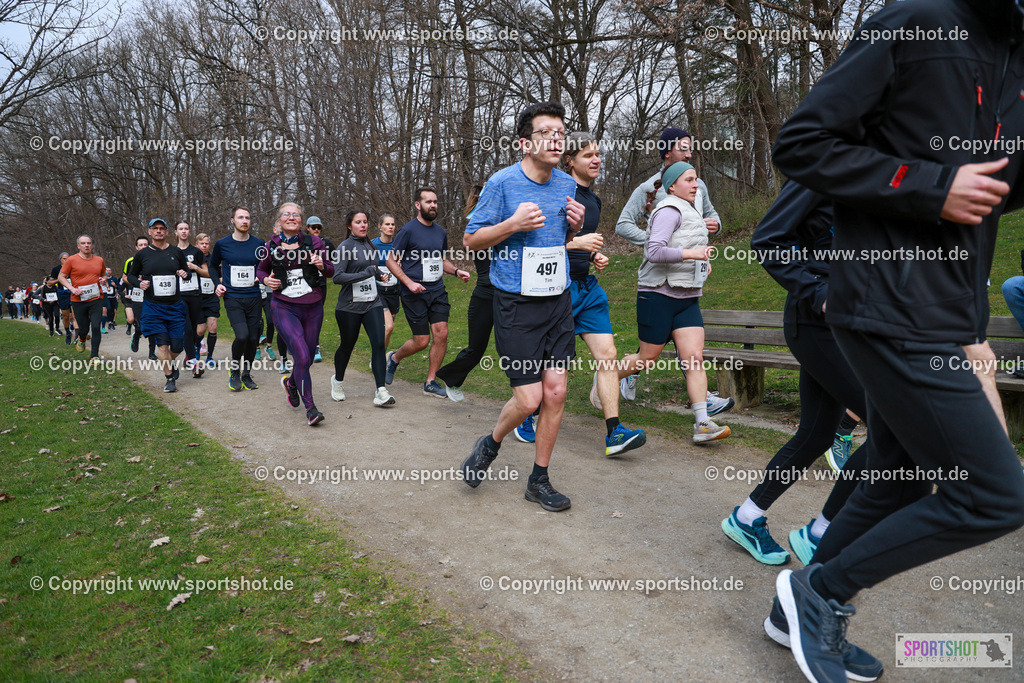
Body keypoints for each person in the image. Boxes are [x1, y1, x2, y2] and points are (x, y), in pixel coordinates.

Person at [766, 2, 1024, 681]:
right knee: (996, 494)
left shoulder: (1015, 55)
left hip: (948, 309)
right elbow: (800, 143)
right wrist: (930, 185)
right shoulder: (917, 20)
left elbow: (997, 184)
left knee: (897, 477)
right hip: (889, 302)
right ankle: (817, 591)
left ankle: (794, 606)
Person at [721, 182, 871, 572]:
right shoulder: (820, 169)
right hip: (817, 323)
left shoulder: (878, 175)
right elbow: (767, 240)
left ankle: (748, 517)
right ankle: (823, 534)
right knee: (893, 425)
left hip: (854, 326)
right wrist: (817, 290)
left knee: (817, 434)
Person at [459, 101, 585, 511]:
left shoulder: (567, 185)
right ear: (524, 142)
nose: (555, 138)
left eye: (560, 132)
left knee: (557, 392)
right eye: (546, 131)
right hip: (515, 303)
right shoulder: (502, 183)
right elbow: (470, 240)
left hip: (558, 299)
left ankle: (539, 480)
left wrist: (576, 227)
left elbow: (558, 239)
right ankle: (490, 444)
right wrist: (512, 223)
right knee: (529, 400)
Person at [513, 133, 647, 456]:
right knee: (554, 363)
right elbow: (537, 245)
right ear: (570, 160)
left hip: (587, 287)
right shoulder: (558, 193)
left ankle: (614, 432)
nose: (596, 159)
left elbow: (578, 244)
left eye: (598, 154)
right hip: (556, 288)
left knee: (608, 355)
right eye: (588, 155)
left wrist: (590, 256)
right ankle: (526, 415)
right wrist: (578, 245)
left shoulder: (595, 201)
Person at [614, 127, 733, 417]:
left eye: (691, 148)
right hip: (659, 279)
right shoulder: (648, 189)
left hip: (690, 279)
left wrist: (715, 224)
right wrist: (658, 239)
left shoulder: (697, 184)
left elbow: (710, 216)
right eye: (683, 147)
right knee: (650, 353)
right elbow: (623, 225)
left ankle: (702, 413)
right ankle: (619, 374)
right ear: (667, 152)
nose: (690, 152)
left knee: (690, 350)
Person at [385, 186, 471, 397]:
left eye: (435, 201)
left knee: (441, 334)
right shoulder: (408, 230)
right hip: (414, 293)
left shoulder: (441, 232)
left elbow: (441, 261)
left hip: (437, 290)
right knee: (421, 341)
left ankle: (430, 381)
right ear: (418, 205)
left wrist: (456, 271)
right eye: (428, 202)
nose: (433, 205)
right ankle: (394, 358)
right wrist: (408, 283)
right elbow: (390, 261)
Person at [257, 202, 334, 425]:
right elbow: (260, 269)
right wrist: (265, 279)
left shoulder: (314, 242)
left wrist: (321, 265)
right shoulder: (269, 246)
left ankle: (291, 383)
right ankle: (311, 408)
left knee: (307, 358)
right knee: (300, 355)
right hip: (284, 306)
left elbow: (330, 270)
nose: (291, 217)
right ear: (279, 221)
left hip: (312, 306)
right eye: (286, 214)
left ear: (301, 221)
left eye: (296, 214)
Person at [330, 210, 396, 407]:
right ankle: (338, 381)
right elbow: (337, 277)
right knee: (347, 345)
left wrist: (377, 276)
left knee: (378, 344)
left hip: (372, 302)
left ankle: (381, 390)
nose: (363, 225)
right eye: (358, 222)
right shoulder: (344, 247)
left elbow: (371, 270)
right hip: (349, 306)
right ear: (349, 226)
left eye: (365, 222)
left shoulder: (371, 245)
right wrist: (367, 273)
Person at [435, 186, 490, 402]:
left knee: (515, 351)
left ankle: (527, 407)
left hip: (507, 295)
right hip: (485, 294)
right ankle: (451, 378)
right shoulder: (475, 227)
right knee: (476, 349)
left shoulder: (507, 223)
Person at [126, 218, 191, 392]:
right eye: (155, 228)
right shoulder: (142, 254)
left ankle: (169, 363)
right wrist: (139, 284)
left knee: (178, 346)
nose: (159, 231)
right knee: (162, 345)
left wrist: (185, 273)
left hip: (175, 306)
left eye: (162, 228)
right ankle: (169, 378)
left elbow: (188, 273)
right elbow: (131, 276)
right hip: (154, 307)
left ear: (167, 232)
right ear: (150, 232)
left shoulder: (176, 252)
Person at [209, 206, 265, 391]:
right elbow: (212, 265)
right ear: (232, 220)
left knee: (253, 338)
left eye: (247, 217)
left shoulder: (259, 244)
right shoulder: (222, 244)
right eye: (240, 217)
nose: (244, 221)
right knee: (242, 336)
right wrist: (217, 283)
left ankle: (246, 374)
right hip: (233, 297)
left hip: (254, 297)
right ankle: (234, 370)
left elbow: (266, 266)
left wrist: (262, 275)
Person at [58, 235, 107, 362]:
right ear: (78, 246)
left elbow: (103, 274)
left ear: (92, 245)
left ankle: (94, 356)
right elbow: (61, 277)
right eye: (83, 243)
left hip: (96, 298)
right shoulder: (71, 260)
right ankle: (81, 338)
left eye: (89, 243)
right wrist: (72, 289)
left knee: (96, 326)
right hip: (78, 300)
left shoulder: (99, 260)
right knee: (83, 329)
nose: (86, 245)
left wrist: (103, 279)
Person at [174, 221, 208, 378]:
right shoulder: (171, 252)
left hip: (195, 294)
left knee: (195, 330)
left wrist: (194, 267)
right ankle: (194, 363)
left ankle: (189, 354)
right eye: (180, 229)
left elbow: (207, 273)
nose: (183, 231)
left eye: (186, 228)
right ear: (175, 232)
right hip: (179, 296)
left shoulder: (196, 251)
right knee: (187, 328)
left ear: (189, 231)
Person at [370, 214, 400, 350]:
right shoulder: (372, 244)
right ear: (380, 227)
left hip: (394, 290)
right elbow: (367, 265)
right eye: (387, 224)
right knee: (388, 327)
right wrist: (378, 274)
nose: (390, 227)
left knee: (388, 329)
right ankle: (379, 358)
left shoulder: (399, 244)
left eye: (392, 224)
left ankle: (379, 355)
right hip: (378, 291)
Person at [306, 215, 333, 363]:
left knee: (316, 315)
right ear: (307, 228)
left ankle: (315, 345)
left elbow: (334, 263)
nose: (316, 230)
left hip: (320, 284)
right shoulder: (302, 242)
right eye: (313, 227)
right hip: (304, 284)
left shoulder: (327, 244)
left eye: (319, 227)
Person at [124, 236, 157, 360]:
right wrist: (135, 281)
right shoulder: (130, 261)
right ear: (136, 247)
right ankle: (137, 335)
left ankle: (151, 352)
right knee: (141, 324)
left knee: (152, 323)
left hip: (152, 295)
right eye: (140, 245)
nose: (143, 247)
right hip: (137, 294)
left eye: (145, 245)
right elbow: (124, 277)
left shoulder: (154, 258)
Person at [195, 233, 220, 368]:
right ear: (197, 244)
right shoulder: (193, 258)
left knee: (213, 327)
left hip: (212, 297)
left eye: (207, 243)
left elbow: (219, 275)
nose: (204, 246)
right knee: (200, 330)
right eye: (202, 243)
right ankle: (196, 353)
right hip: (198, 298)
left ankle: (210, 357)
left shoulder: (214, 259)